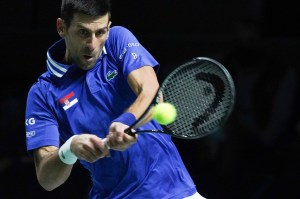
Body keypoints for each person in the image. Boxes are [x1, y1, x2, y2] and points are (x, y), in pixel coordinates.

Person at [24, 0, 206, 198]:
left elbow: (151, 91)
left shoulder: (117, 40)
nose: (92, 45)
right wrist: (70, 148)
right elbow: (47, 180)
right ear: (62, 27)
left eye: (100, 32)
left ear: (108, 28)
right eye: (83, 32)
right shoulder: (42, 93)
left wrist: (125, 122)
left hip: (176, 192)